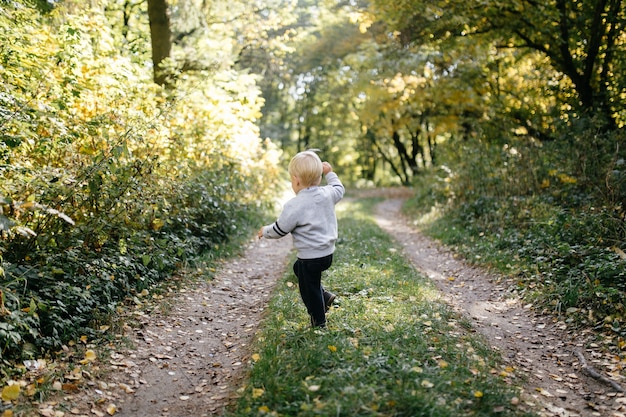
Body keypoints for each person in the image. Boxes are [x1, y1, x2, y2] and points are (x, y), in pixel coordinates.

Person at [258, 150, 345, 328]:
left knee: (309, 290)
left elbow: (280, 229)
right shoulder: (327, 193)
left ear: (296, 180)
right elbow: (339, 189)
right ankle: (326, 297)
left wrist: (265, 231)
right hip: (327, 255)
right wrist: (330, 172)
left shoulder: (294, 205)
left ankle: (319, 322)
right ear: (319, 178)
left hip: (310, 258)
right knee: (299, 269)